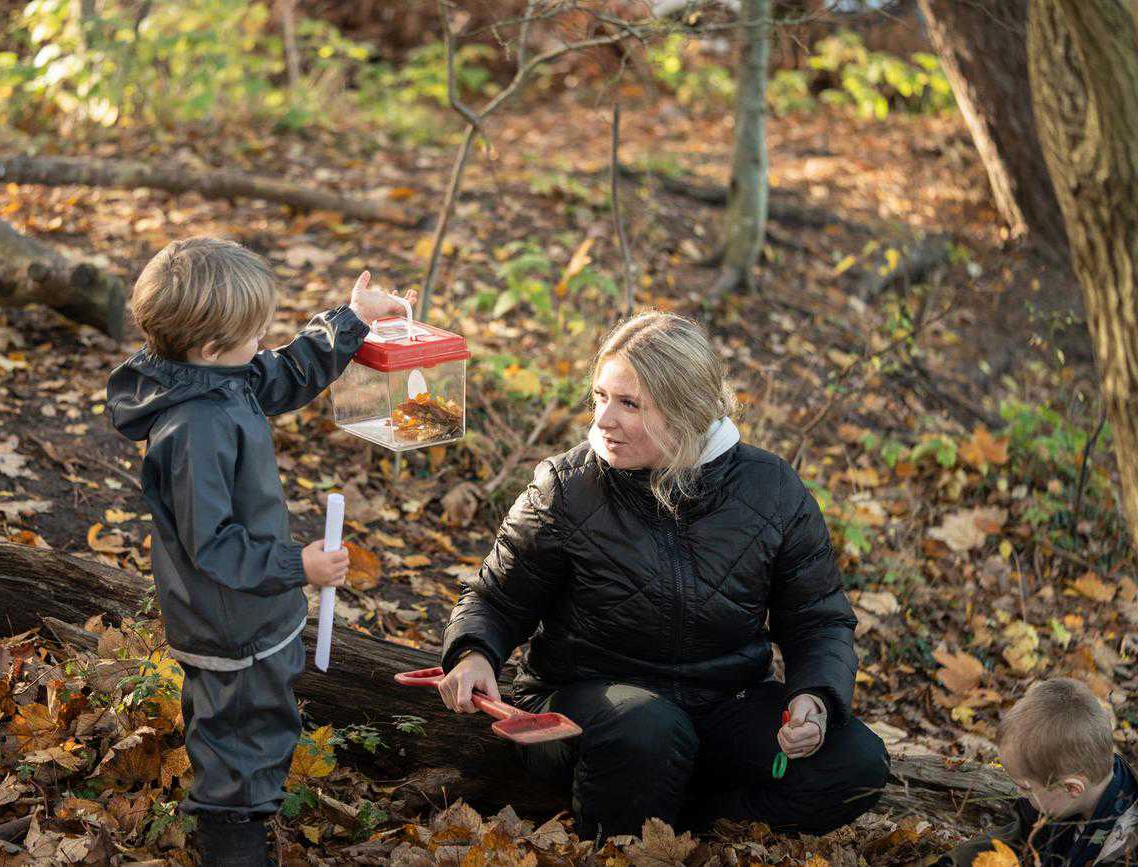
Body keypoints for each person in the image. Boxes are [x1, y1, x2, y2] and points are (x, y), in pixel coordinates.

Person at [437, 310, 890, 843]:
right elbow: (494, 599)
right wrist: (472, 653)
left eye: (629, 404)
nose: (604, 420)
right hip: (587, 708)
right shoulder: (566, 486)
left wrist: (815, 697)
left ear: (687, 410)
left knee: (857, 759)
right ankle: (629, 834)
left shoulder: (772, 490)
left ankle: (686, 827)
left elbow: (819, 620)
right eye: (601, 397)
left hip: (722, 707)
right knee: (648, 730)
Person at [106, 236, 414, 866]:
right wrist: (296, 567)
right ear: (212, 347)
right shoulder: (196, 426)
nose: (262, 347)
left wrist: (351, 318)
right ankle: (234, 840)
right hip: (229, 620)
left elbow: (286, 372)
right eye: (254, 335)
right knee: (242, 739)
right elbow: (211, 544)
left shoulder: (218, 379)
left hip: (252, 612)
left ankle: (241, 814)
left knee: (254, 722)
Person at [936, 678, 1138, 866]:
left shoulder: (1124, 850)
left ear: (1072, 788)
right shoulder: (1059, 797)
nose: (1018, 792)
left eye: (1025, 787)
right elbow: (1015, 836)